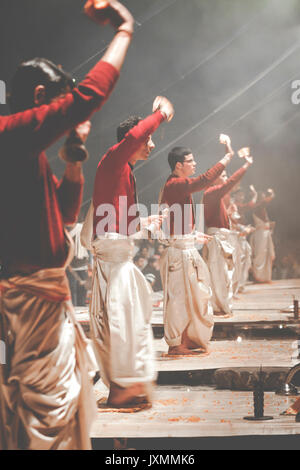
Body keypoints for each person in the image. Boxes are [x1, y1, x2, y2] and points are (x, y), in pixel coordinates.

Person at [0, 0, 135, 450]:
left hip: (44, 302)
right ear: (40, 99)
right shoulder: (10, 135)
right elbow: (89, 97)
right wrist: (124, 30)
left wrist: (73, 165)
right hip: (27, 303)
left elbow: (62, 222)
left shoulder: (27, 152)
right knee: (47, 421)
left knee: (54, 414)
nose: (68, 118)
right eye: (60, 108)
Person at [81, 96, 174, 409]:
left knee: (128, 325)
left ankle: (125, 388)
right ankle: (121, 390)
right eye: (147, 139)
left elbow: (128, 223)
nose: (150, 145)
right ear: (129, 141)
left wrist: (147, 223)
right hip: (114, 263)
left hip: (119, 259)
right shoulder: (113, 160)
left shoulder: (125, 172)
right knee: (120, 326)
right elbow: (135, 135)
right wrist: (160, 114)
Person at [158, 135, 234, 356]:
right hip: (179, 254)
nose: (194, 164)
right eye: (190, 161)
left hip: (185, 248)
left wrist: (193, 236)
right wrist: (227, 156)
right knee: (180, 300)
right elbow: (204, 180)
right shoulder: (175, 184)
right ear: (179, 165)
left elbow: (176, 222)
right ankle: (176, 345)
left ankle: (187, 340)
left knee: (194, 297)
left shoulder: (178, 186)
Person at [203, 142, 253, 317]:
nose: (225, 177)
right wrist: (246, 164)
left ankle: (223, 306)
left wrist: (228, 213)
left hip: (221, 238)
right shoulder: (212, 192)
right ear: (215, 178)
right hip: (217, 239)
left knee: (225, 275)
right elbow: (232, 182)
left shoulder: (215, 195)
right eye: (222, 175)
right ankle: (219, 308)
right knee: (219, 275)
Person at [249, 189, 276, 283]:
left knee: (267, 254)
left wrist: (269, 224)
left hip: (265, 234)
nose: (264, 197)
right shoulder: (257, 207)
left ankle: (265, 277)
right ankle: (258, 277)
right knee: (260, 255)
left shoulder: (262, 208)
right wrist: (270, 195)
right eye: (263, 195)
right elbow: (263, 203)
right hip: (260, 234)